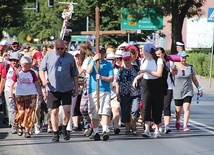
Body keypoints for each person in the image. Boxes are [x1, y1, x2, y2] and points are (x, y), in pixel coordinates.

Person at [39, 39, 79, 142]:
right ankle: (55, 132)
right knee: (54, 111)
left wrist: (76, 87)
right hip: (53, 87)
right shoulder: (48, 56)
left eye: (62, 48)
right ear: (54, 47)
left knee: (67, 110)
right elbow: (41, 69)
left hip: (66, 87)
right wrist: (44, 80)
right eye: (58, 48)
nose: (60, 50)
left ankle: (64, 128)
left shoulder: (70, 57)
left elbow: (75, 73)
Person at [133, 43, 164, 138]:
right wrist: (137, 78)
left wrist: (146, 71)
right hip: (145, 84)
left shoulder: (158, 61)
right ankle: (147, 129)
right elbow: (142, 73)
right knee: (146, 107)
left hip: (156, 85)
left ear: (148, 52)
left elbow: (159, 74)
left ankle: (157, 129)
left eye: (144, 50)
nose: (142, 52)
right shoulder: (144, 60)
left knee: (157, 107)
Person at [8, 56, 43, 138]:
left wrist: (40, 94)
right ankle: (20, 125)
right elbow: (11, 85)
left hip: (31, 94)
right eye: (24, 64)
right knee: (21, 112)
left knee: (29, 112)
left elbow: (37, 85)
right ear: (21, 64)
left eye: (28, 64)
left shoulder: (32, 73)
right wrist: (10, 96)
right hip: (20, 95)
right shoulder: (17, 72)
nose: (26, 66)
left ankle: (28, 130)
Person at [86, 47, 114, 141]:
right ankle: (96, 132)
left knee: (105, 109)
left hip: (105, 90)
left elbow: (111, 78)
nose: (101, 55)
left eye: (103, 53)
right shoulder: (92, 62)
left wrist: (102, 77)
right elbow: (88, 71)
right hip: (93, 90)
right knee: (95, 112)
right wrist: (94, 60)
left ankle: (105, 131)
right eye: (100, 53)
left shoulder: (108, 64)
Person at [173, 51, 203, 131]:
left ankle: (185, 125)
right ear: (179, 58)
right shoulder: (175, 67)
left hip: (188, 91)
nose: (184, 59)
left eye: (185, 57)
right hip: (177, 91)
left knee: (187, 107)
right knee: (178, 110)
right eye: (183, 57)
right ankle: (178, 120)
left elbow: (194, 79)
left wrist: (199, 88)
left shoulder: (190, 67)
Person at [116, 52, 141, 135]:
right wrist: (118, 94)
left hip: (135, 93)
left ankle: (133, 126)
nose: (127, 61)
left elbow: (141, 77)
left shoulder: (136, 68)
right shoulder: (121, 70)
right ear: (123, 60)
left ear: (131, 59)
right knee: (125, 111)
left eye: (128, 59)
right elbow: (117, 83)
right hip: (124, 93)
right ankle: (127, 128)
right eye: (125, 60)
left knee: (135, 109)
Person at [155, 47, 178, 134]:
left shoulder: (169, 63)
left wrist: (172, 71)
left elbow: (176, 71)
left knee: (166, 106)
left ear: (163, 54)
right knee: (158, 107)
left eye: (159, 54)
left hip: (168, 87)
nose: (158, 56)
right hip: (157, 88)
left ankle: (167, 126)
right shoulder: (154, 63)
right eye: (156, 54)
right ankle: (159, 125)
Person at [0, 52, 21, 133]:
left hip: (19, 91)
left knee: (19, 108)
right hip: (8, 91)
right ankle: (13, 125)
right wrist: (0, 91)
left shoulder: (21, 68)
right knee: (11, 108)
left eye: (16, 60)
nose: (14, 62)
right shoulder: (7, 68)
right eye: (12, 60)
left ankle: (19, 123)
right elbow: (3, 80)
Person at [106, 53, 121, 134]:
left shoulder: (119, 69)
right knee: (107, 111)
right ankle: (107, 128)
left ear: (115, 60)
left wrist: (117, 84)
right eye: (109, 59)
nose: (111, 61)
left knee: (116, 110)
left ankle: (116, 127)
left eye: (113, 59)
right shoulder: (104, 68)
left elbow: (121, 80)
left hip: (115, 93)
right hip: (106, 93)